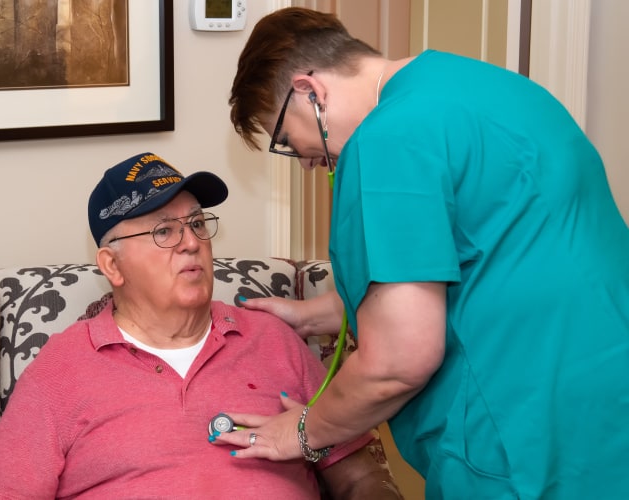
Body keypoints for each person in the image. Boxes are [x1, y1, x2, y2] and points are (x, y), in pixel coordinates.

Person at [212, 6, 629, 499]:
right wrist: (309, 317)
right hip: (605, 399)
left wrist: (301, 433)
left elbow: (398, 363)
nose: (304, 161)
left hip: (521, 434)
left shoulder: (387, 140)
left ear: (310, 91)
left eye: (285, 138)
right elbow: (480, 258)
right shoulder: (495, 88)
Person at [0, 152, 402, 499]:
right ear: (112, 265)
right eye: (163, 232)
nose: (191, 242)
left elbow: (362, 479)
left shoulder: (273, 340)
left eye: (196, 224)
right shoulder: (61, 369)